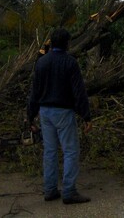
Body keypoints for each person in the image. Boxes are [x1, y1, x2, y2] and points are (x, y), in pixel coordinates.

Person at [27, 28, 93, 204]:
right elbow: (79, 92)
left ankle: (50, 190)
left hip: (45, 112)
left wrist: (30, 117)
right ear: (66, 44)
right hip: (63, 112)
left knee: (50, 151)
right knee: (70, 151)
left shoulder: (41, 63)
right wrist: (86, 116)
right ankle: (69, 191)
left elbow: (34, 92)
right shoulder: (70, 63)